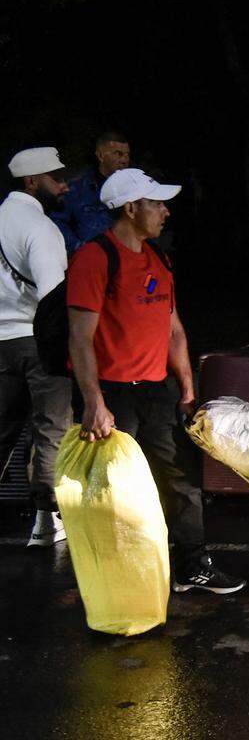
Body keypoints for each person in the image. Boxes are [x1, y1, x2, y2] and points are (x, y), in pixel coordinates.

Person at [68, 168, 245, 593]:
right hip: (113, 396)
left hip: (157, 391)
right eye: (156, 203)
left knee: (181, 479)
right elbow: (79, 337)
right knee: (115, 489)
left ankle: (191, 566)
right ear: (130, 209)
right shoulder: (95, 258)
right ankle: (118, 577)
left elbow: (175, 330)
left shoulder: (159, 258)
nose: (165, 211)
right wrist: (94, 402)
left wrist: (186, 388)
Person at [0, 148, 73, 546]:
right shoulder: (41, 228)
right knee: (52, 430)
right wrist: (66, 351)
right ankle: (47, 523)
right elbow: (52, 299)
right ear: (32, 182)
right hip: (36, 340)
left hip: (0, 342)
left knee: (2, 430)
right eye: (56, 178)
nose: (63, 186)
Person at [51, 131, 131, 254]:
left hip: (125, 258)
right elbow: (58, 221)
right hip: (90, 260)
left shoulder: (133, 187)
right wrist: (79, 248)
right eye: (118, 154)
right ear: (100, 156)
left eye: (127, 155)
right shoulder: (77, 187)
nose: (124, 160)